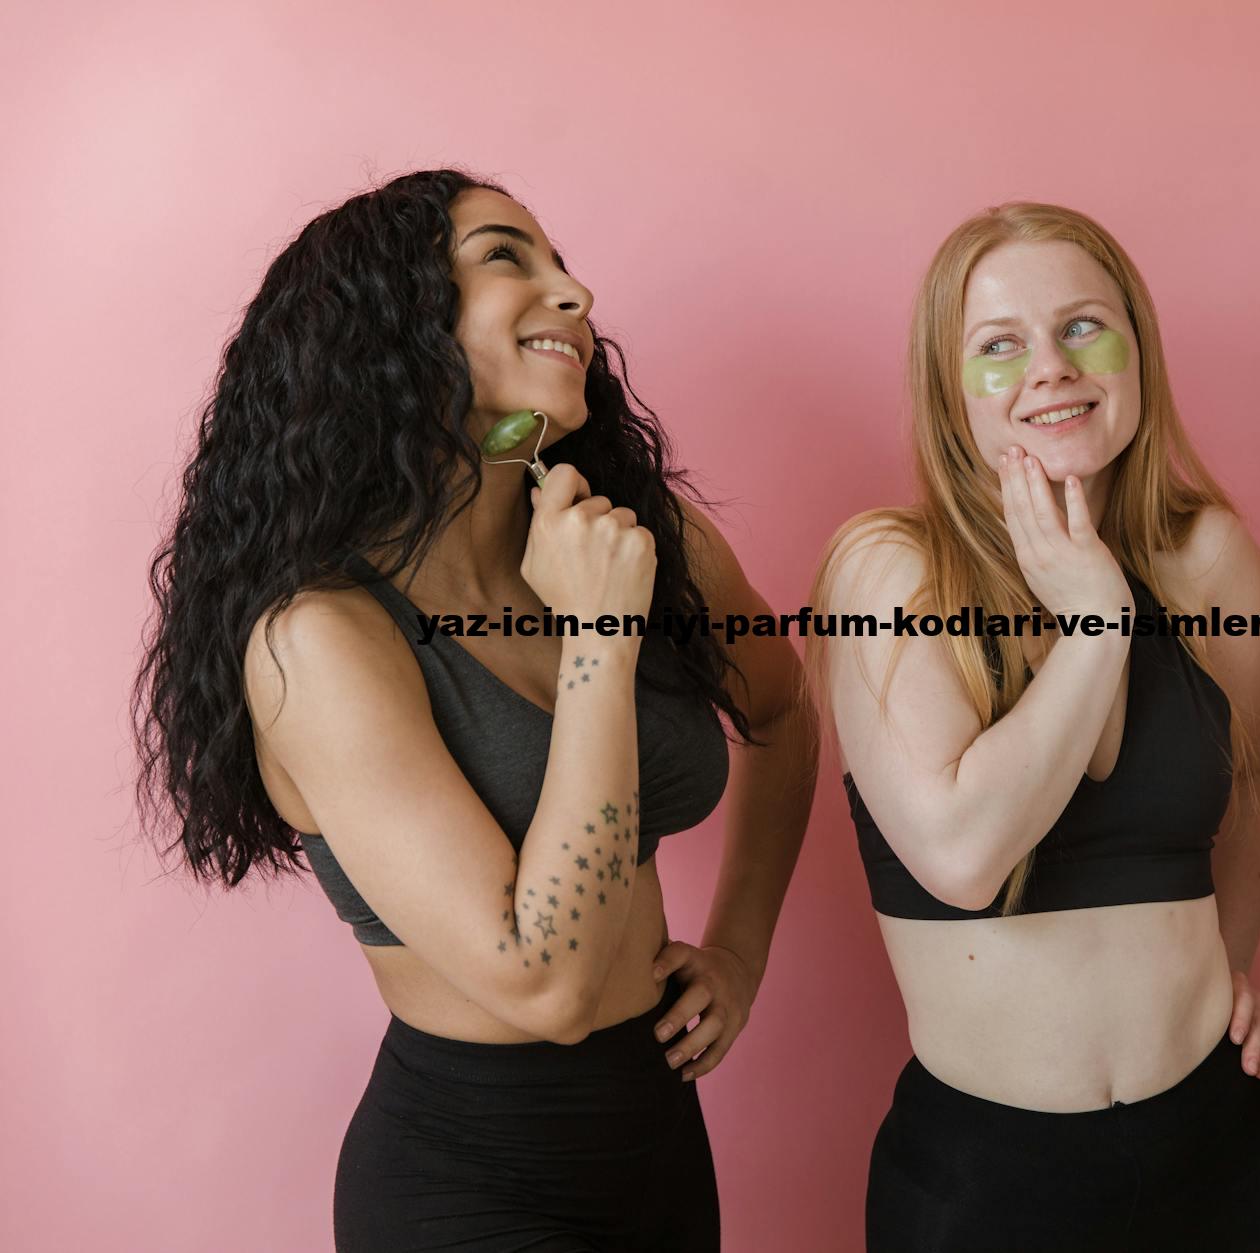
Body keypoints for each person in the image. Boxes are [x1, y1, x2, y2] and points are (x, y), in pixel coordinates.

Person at [132, 169, 815, 1252]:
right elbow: (541, 980)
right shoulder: (321, 637)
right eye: (508, 255)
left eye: (562, 261)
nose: (576, 292)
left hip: (659, 1146)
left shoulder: (639, 536)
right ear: (391, 322)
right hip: (466, 1183)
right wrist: (598, 636)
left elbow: (781, 705)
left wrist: (736, 951)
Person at [809, 202, 1260, 1252]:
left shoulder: (1207, 557)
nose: (1049, 367)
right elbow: (960, 853)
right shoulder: (887, 568)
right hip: (987, 1188)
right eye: (998, 346)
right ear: (952, 396)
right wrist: (1094, 619)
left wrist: (1226, 963)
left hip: (1220, 1151)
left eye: (1083, 326)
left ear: (1135, 349)